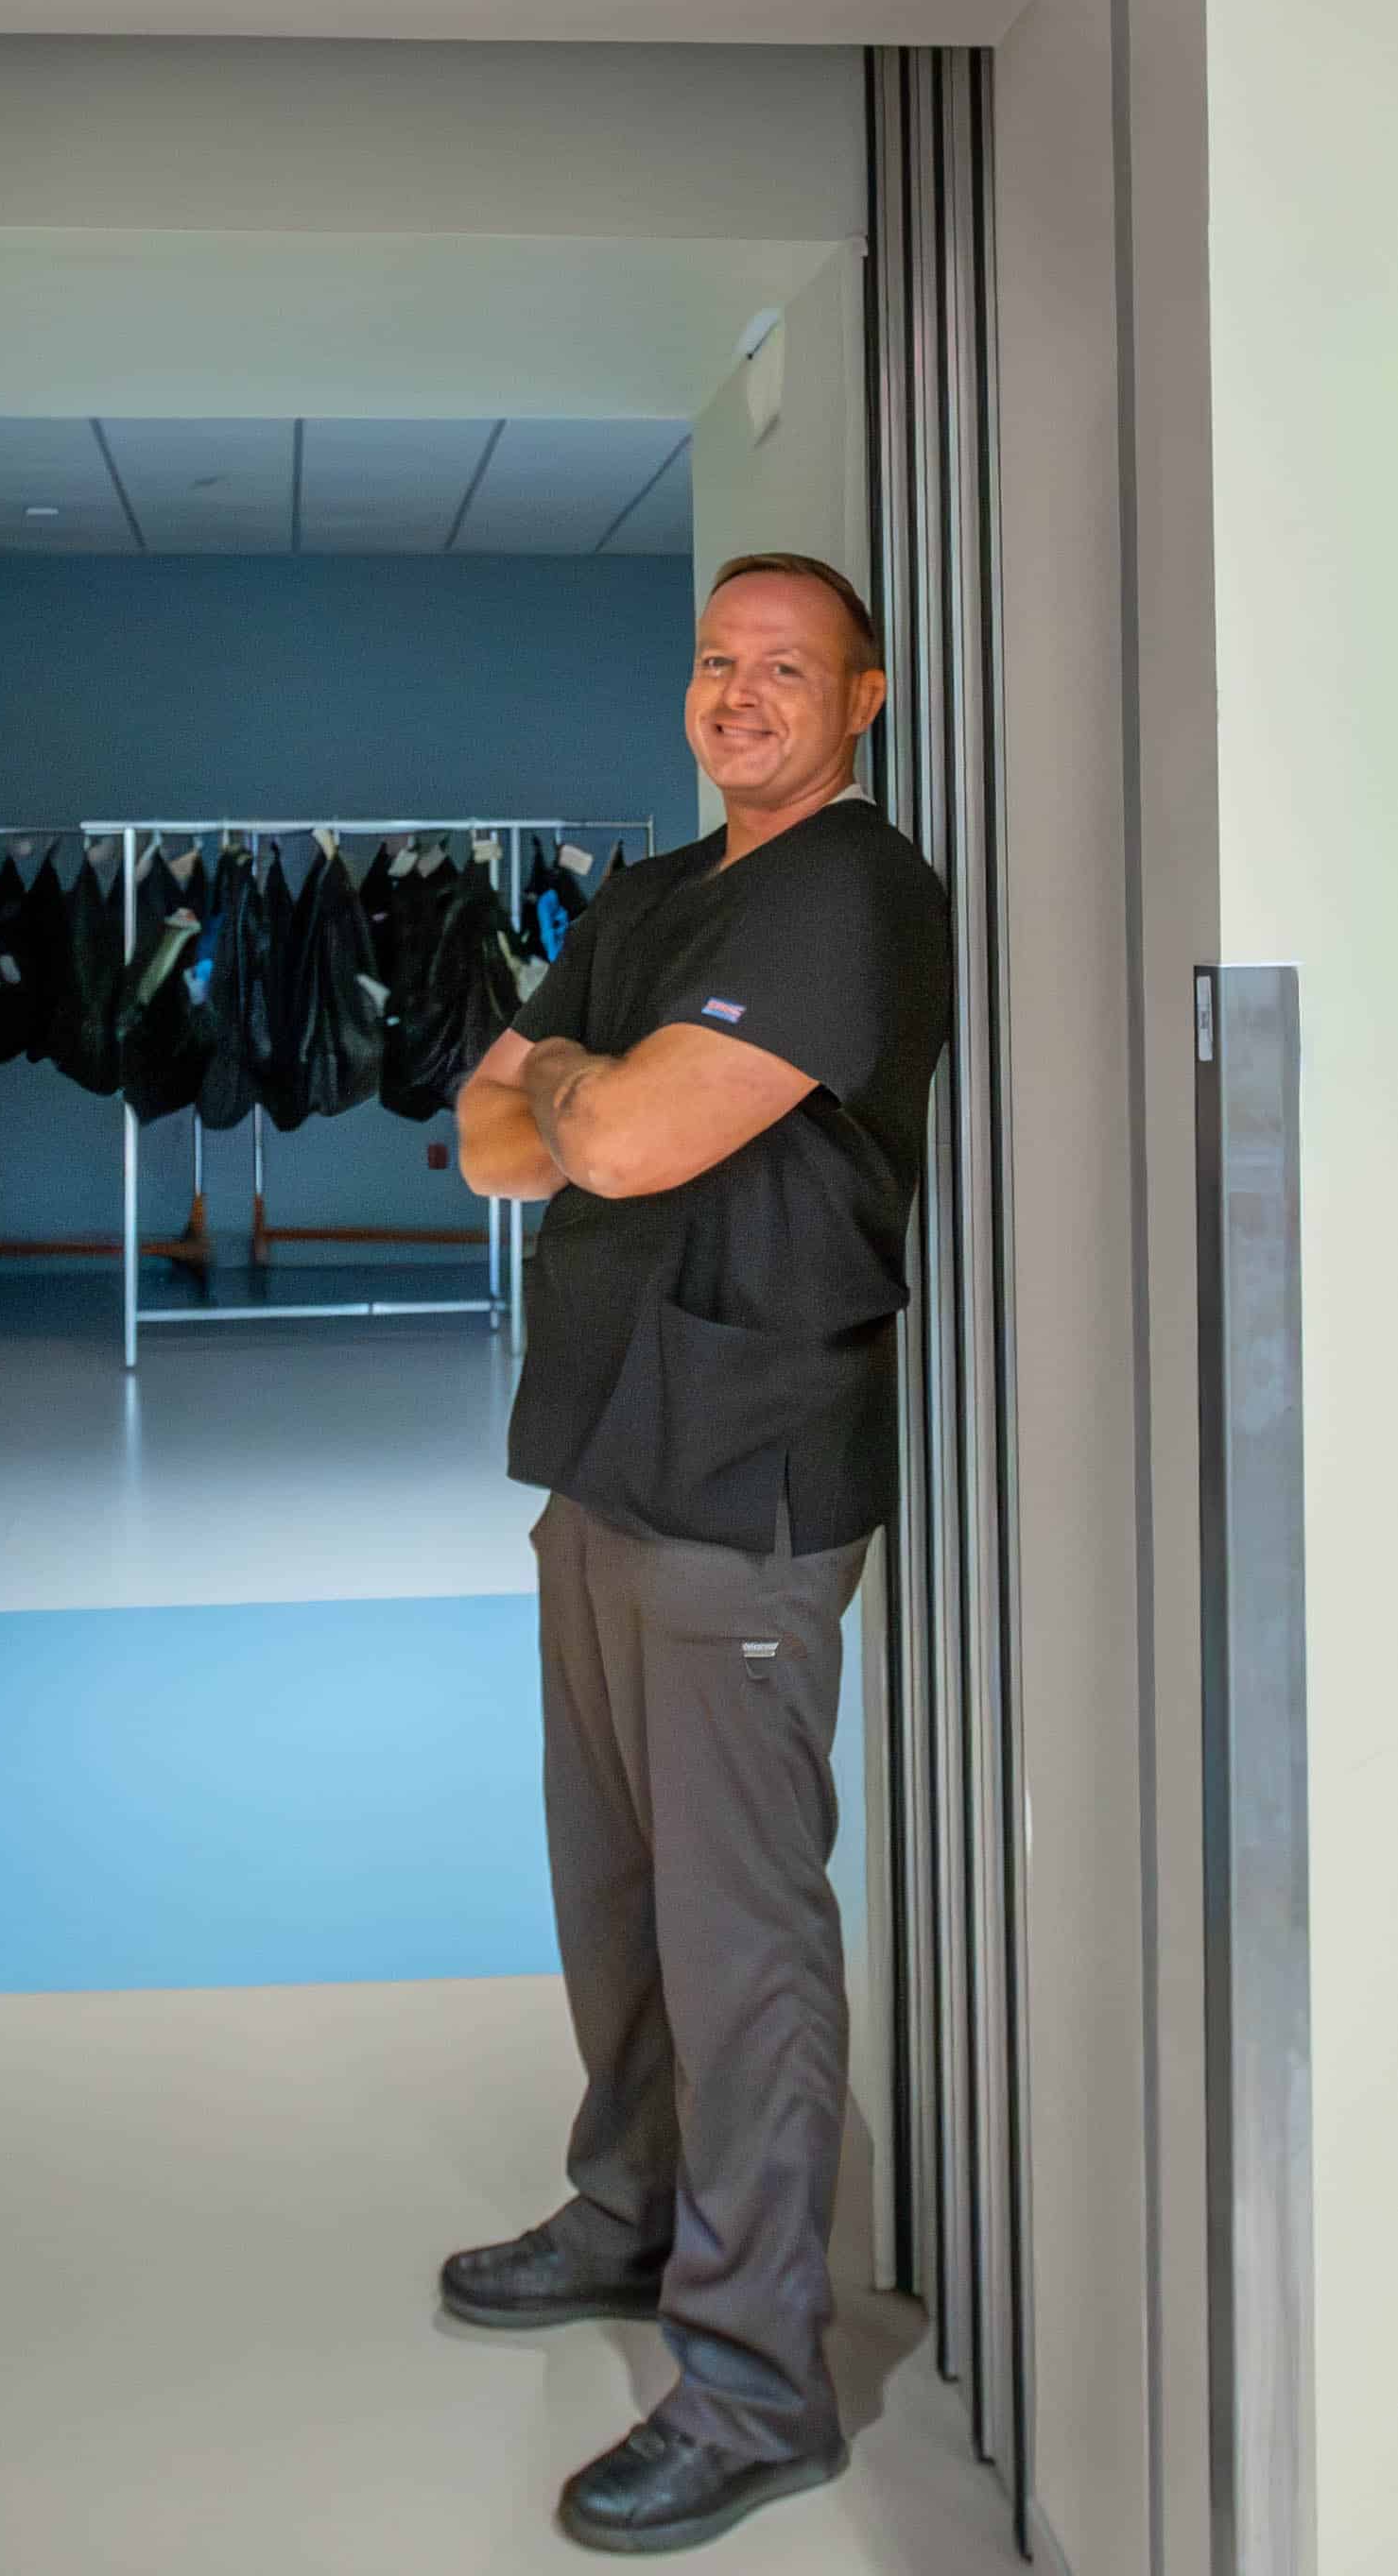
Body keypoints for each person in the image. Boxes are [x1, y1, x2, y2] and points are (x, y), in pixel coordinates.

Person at [447, 553, 952, 2558]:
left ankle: (752, 2380)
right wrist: (577, 1095)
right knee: (612, 1886)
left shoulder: (851, 892)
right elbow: (484, 1134)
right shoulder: (655, 893)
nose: (738, 695)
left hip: (741, 1477)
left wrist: (574, 1090)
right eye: (714, 665)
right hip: (597, 1457)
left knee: (739, 1938)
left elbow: (624, 1141)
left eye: (782, 667)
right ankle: (627, 2208)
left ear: (862, 695)